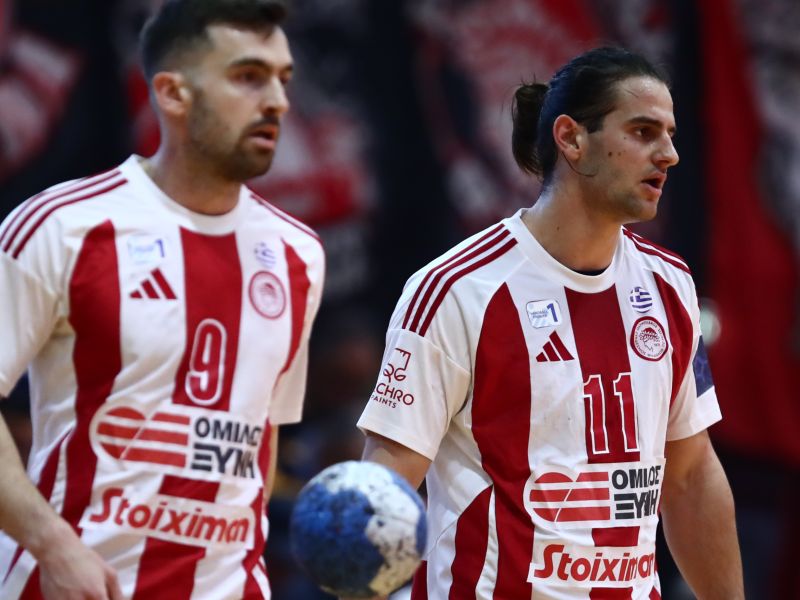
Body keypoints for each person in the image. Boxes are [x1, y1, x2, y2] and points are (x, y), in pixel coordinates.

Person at [356, 47, 743, 599]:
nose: (669, 154)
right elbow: (385, 489)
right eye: (643, 131)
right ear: (571, 138)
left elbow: (689, 475)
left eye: (670, 135)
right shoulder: (457, 290)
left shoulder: (670, 287)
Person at [0, 1, 325, 598]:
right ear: (174, 94)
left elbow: (257, 440)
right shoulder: (62, 226)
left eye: (283, 79)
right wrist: (52, 544)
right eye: (248, 77)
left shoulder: (299, 254)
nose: (277, 101)